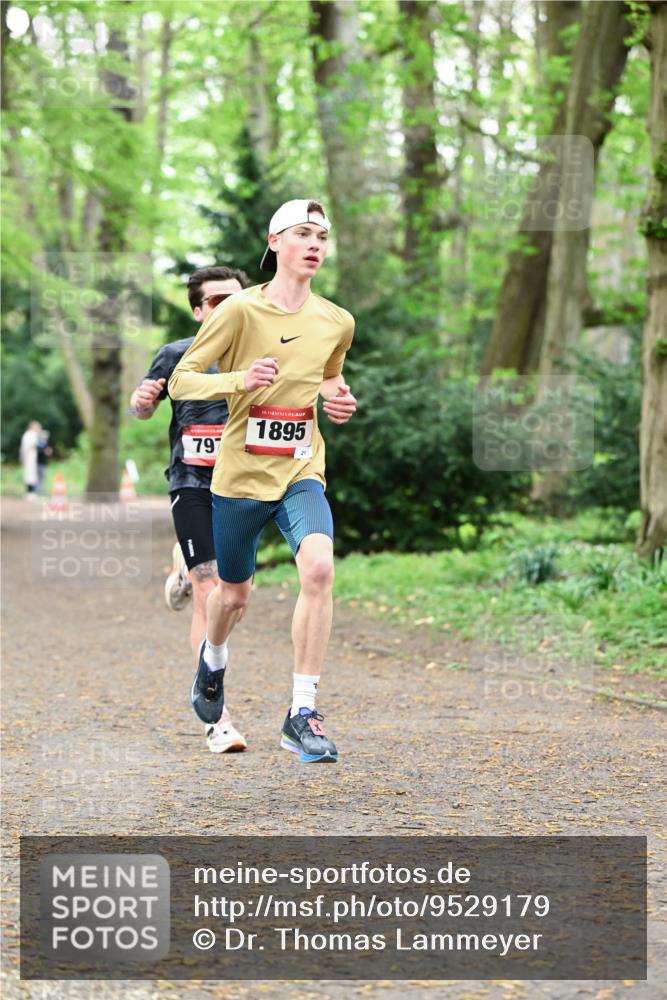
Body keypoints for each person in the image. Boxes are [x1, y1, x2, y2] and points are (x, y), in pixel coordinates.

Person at [169, 199, 356, 763]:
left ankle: (302, 712)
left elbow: (329, 377)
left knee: (319, 568)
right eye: (302, 233)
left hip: (302, 468)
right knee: (234, 596)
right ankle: (214, 661)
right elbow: (182, 381)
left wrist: (337, 399)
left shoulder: (336, 320)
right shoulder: (239, 312)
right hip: (240, 476)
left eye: (321, 235)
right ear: (275, 242)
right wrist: (240, 379)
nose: (315, 244)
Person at [130, 265, 250, 754]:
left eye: (235, 299)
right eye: (216, 301)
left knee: (237, 594)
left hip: (245, 486)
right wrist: (141, 401)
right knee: (211, 587)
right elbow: (143, 408)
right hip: (193, 482)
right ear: (199, 310)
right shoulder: (177, 355)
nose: (227, 308)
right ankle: (215, 717)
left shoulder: (266, 354)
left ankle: (181, 568)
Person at [19, 421, 41, 500]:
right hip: (29, 458)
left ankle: (31, 493)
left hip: (30, 458)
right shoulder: (30, 435)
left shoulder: (29, 435)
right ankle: (30, 493)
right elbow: (33, 445)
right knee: (30, 476)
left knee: (31, 476)